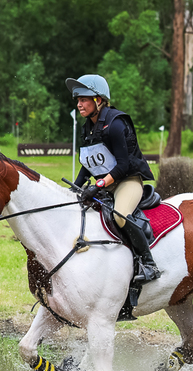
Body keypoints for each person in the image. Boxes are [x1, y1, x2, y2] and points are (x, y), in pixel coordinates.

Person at [65, 74, 161, 283]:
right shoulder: (88, 127)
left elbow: (123, 165)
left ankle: (149, 264)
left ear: (98, 100)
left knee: (120, 215)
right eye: (78, 100)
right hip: (107, 184)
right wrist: (75, 188)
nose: (79, 104)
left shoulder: (116, 123)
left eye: (84, 100)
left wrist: (98, 185)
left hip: (127, 181)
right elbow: (88, 164)